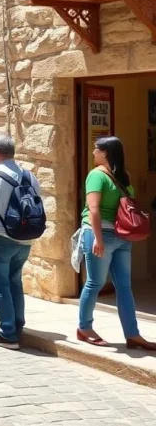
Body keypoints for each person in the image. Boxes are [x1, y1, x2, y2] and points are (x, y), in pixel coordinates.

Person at [76, 136, 155, 350]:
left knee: (124, 287)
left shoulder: (123, 176)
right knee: (95, 283)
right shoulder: (96, 175)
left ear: (106, 153)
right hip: (99, 234)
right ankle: (84, 328)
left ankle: (133, 334)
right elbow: (93, 209)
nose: (93, 153)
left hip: (121, 236)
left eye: (96, 149)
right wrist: (98, 238)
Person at [0, 134, 39, 350]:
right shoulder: (30, 177)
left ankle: (8, 334)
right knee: (15, 282)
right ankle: (17, 327)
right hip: (25, 240)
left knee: (0, 286)